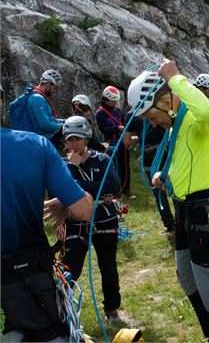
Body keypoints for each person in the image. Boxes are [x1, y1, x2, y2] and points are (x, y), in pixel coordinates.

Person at [127, 60, 209, 342]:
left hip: (205, 209)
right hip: (185, 207)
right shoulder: (177, 125)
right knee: (186, 275)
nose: (151, 122)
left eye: (150, 115)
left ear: (166, 100)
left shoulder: (196, 118)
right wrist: (166, 174)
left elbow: (207, 112)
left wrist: (175, 78)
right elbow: (188, 160)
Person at [1, 92, 94, 341]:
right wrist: (68, 201)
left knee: (16, 327)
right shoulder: (36, 146)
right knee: (50, 332)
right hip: (31, 267)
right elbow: (83, 211)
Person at [59, 116, 123, 322]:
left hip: (104, 221)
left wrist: (77, 186)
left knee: (108, 267)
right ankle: (62, 310)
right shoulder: (62, 165)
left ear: (87, 138)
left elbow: (111, 187)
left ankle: (112, 308)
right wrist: (74, 168)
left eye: (78, 138)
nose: (74, 143)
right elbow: (60, 191)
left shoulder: (102, 159)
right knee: (71, 268)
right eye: (69, 139)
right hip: (75, 224)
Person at [123, 108, 175, 234]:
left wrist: (141, 138)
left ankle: (170, 226)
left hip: (149, 155)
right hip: (167, 151)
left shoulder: (132, 114)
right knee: (175, 185)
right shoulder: (159, 106)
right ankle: (183, 220)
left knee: (158, 191)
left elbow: (126, 141)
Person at [96, 85, 133, 198]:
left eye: (116, 101)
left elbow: (124, 123)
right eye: (113, 101)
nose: (115, 103)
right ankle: (116, 191)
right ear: (106, 100)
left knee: (125, 165)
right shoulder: (100, 113)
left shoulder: (118, 111)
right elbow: (104, 129)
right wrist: (117, 129)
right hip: (111, 143)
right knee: (115, 167)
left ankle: (126, 188)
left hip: (122, 141)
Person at [9, 69, 64, 138]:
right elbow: (45, 124)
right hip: (41, 140)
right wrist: (65, 127)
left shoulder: (38, 96)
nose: (55, 91)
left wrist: (65, 121)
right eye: (55, 88)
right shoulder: (37, 98)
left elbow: (50, 118)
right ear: (48, 84)